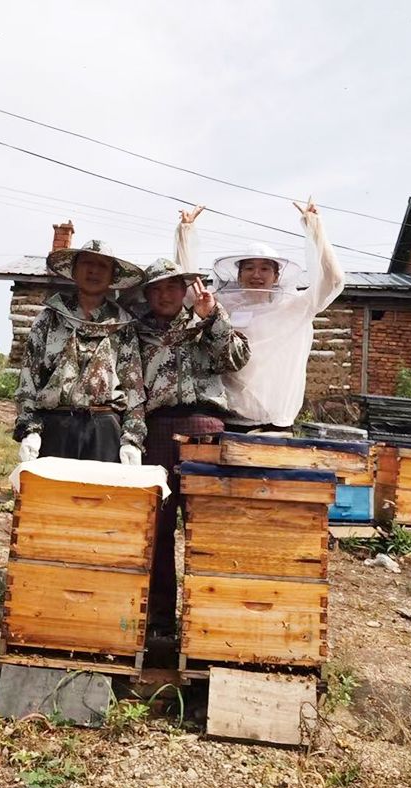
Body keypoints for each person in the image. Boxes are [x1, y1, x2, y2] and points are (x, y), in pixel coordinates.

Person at [135, 207, 251, 634]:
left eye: (173, 287)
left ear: (185, 289)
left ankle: (208, 622)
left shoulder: (208, 322)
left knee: (208, 528)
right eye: (157, 289)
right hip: (156, 433)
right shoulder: (136, 332)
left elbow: (237, 359)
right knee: (157, 530)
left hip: (207, 431)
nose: (165, 295)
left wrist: (213, 318)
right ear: (147, 295)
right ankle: (161, 622)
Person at [206, 199, 345, 430]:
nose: (256, 275)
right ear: (239, 275)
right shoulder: (224, 306)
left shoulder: (294, 308)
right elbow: (187, 294)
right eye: (249, 268)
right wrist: (184, 235)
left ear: (276, 275)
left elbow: (334, 281)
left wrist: (315, 229)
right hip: (226, 420)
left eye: (265, 268)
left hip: (274, 424)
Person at [14, 239, 147, 464]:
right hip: (55, 425)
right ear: (74, 270)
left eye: (103, 266)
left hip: (104, 427)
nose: (94, 270)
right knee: (50, 497)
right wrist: (30, 430)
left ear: (113, 276)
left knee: (100, 497)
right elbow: (29, 379)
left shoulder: (122, 325)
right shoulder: (49, 318)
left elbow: (133, 388)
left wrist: (132, 439)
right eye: (87, 263)